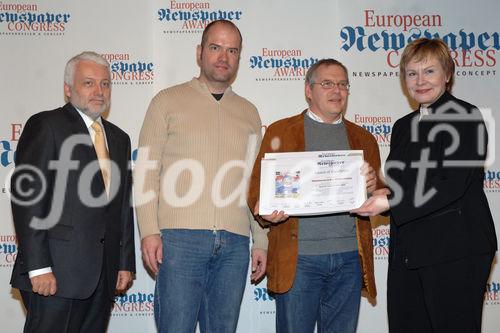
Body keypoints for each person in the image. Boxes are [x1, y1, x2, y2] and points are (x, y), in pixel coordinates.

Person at [353, 38, 497, 332]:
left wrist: (392, 201)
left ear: (447, 74)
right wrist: (381, 191)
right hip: (410, 250)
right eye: (412, 73)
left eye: (429, 71)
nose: (420, 81)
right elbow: (404, 183)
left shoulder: (466, 118)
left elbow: (450, 183)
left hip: (456, 249)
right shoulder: (403, 126)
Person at [134, 20, 267, 332]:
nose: (224, 56)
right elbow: (145, 172)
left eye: (232, 50)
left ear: (239, 57)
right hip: (180, 240)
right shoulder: (166, 101)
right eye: (215, 47)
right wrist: (149, 231)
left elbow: (254, 183)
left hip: (235, 244)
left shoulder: (249, 112)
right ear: (199, 52)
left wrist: (260, 239)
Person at [248, 59, 384, 333]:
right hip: (299, 260)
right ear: (309, 91)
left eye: (343, 84)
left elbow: (380, 195)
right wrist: (264, 210)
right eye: (327, 83)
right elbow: (256, 189)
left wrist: (374, 186)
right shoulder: (280, 132)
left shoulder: (363, 139)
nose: (337, 90)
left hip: (348, 258)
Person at [10, 51, 135, 332]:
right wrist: (39, 267)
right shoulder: (47, 126)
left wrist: (124, 263)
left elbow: (122, 207)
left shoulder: (119, 138)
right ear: (68, 89)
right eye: (89, 83)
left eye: (105, 84)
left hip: (102, 278)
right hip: (56, 273)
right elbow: (28, 200)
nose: (99, 91)